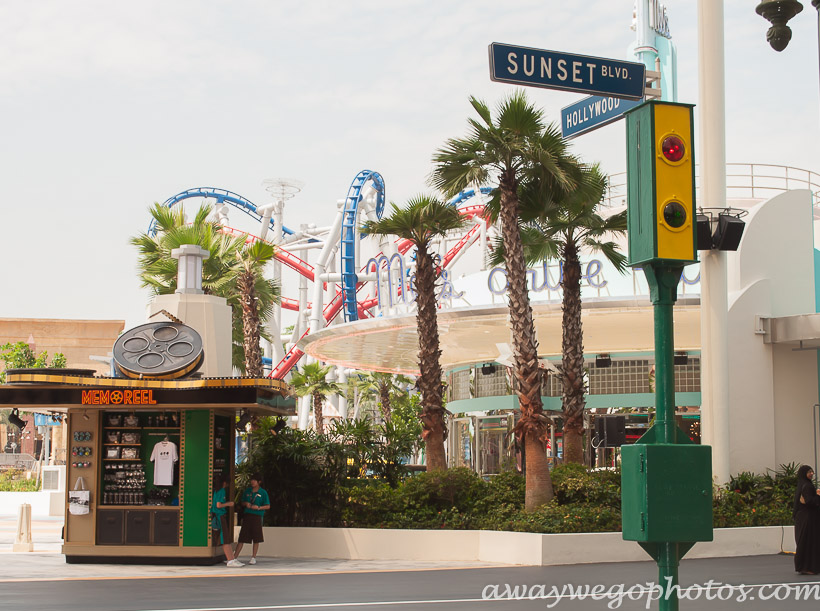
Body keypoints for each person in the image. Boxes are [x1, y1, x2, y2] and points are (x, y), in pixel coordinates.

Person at [234, 473, 270, 565]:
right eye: (252, 480)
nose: (252, 482)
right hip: (247, 515)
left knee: (256, 537)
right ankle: (234, 557)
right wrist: (246, 504)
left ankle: (253, 557)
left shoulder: (263, 493)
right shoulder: (247, 491)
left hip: (257, 516)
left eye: (254, 480)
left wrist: (258, 508)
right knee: (242, 537)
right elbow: (242, 502)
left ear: (259, 482)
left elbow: (267, 506)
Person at [793, 465, 820, 575]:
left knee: (804, 542)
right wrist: (818, 495)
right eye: (809, 472)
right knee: (809, 542)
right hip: (808, 519)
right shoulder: (807, 486)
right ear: (804, 473)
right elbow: (809, 502)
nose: (812, 473)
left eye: (812, 471)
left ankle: (804, 567)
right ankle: (808, 567)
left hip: (803, 518)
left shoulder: (802, 484)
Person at [212, 475, 242, 567]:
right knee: (224, 538)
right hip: (220, 516)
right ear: (224, 483)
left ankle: (232, 558)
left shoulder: (216, 491)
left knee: (225, 538)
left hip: (217, 516)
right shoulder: (222, 491)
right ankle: (230, 560)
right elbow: (218, 505)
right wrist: (229, 503)